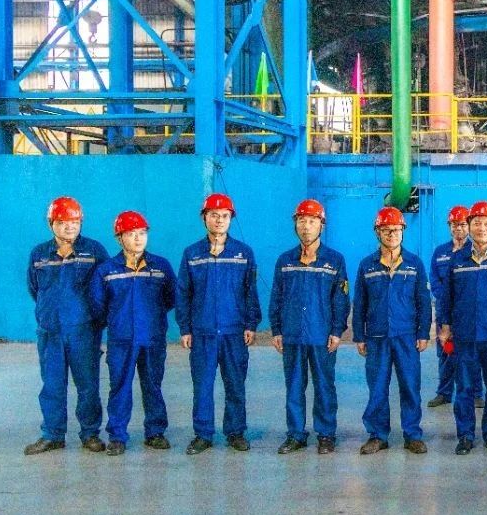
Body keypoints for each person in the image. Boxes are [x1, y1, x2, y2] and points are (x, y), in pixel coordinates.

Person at [176, 193, 262, 455]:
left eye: (225, 216)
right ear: (204, 218)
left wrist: (251, 324)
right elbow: (183, 293)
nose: (219, 220)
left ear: (231, 219)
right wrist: (185, 328)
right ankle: (203, 434)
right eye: (214, 215)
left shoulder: (243, 253)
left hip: (234, 332)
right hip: (202, 332)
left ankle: (235, 432)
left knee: (235, 384)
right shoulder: (192, 254)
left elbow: (250, 292)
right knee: (202, 386)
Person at [24, 197, 110, 455]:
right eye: (62, 222)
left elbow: (106, 288)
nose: (69, 227)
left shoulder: (94, 251)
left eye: (74, 221)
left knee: (88, 386)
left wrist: (95, 322)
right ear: (51, 224)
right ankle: (52, 434)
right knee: (52, 385)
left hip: (84, 332)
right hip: (50, 332)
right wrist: (50, 313)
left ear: (81, 222)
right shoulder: (39, 254)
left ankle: (90, 434)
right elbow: (34, 288)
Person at [89, 211, 176, 456]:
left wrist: (152, 318)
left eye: (142, 233)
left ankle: (155, 432)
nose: (138, 238)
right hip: (121, 340)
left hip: (152, 337)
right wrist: (118, 322)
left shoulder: (161, 267)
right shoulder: (106, 270)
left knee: (153, 385)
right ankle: (117, 436)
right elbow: (97, 305)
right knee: (120, 387)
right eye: (131, 234)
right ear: (119, 238)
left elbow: (171, 298)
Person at [269, 199, 350, 454]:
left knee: (324, 386)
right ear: (295, 225)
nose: (306, 226)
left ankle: (326, 434)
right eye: (302, 221)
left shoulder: (334, 260)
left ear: (321, 226)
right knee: (294, 386)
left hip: (321, 335)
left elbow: (340, 299)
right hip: (292, 334)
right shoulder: (285, 260)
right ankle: (296, 434)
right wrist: (276, 329)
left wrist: (337, 331)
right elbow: (276, 297)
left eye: (312, 221)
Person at [437, 201, 487, 455]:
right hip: (465, 334)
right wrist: (445, 326)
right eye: (477, 223)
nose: (482, 228)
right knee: (465, 388)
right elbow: (446, 296)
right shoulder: (457, 259)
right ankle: (466, 435)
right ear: (469, 226)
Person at [354, 207, 432, 455]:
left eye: (396, 230)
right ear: (377, 232)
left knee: (410, 386)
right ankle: (378, 435)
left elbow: (423, 301)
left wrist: (423, 333)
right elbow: (360, 303)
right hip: (376, 337)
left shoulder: (414, 264)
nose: (392, 234)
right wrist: (359, 335)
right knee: (377, 388)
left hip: (406, 337)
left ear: (403, 232)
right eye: (386, 230)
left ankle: (412, 434)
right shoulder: (367, 265)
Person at [429, 206, 482, 409]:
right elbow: (434, 280)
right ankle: (444, 393)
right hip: (445, 310)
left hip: (468, 312)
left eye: (461, 224)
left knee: (471, 354)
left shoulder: (475, 250)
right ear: (449, 227)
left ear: (468, 226)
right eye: (454, 225)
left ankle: (476, 394)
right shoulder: (440, 252)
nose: (458, 228)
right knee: (446, 352)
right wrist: (446, 300)